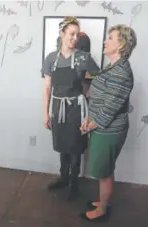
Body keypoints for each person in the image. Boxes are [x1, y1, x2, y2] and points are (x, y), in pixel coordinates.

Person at [80, 24, 137, 221]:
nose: (105, 41)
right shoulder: (113, 66)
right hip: (102, 128)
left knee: (103, 172)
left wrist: (89, 125)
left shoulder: (121, 73)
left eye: (110, 38)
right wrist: (88, 118)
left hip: (109, 130)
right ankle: (103, 201)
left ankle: (102, 209)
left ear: (121, 44)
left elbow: (108, 110)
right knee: (105, 168)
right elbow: (100, 99)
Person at [41, 16, 100, 200]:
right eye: (71, 34)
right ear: (62, 34)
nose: (75, 38)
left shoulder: (84, 58)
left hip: (77, 108)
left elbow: (99, 79)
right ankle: (64, 177)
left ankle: (73, 184)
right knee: (62, 145)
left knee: (75, 147)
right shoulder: (51, 59)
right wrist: (45, 112)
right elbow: (47, 88)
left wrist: (87, 96)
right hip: (58, 107)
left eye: (77, 34)